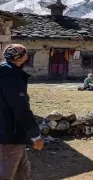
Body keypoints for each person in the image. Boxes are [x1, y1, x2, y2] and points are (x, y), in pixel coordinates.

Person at [0, 44, 44, 179]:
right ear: (23, 58)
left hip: (10, 133)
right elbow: (20, 108)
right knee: (7, 171)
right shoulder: (12, 76)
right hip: (9, 133)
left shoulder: (3, 72)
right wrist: (35, 135)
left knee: (23, 170)